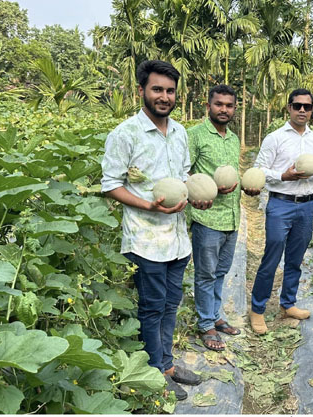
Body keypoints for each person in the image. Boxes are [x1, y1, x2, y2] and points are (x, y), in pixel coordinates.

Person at [101, 60, 205, 401]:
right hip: (145, 238)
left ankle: (167, 364)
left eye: (170, 91)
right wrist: (148, 205)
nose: (164, 96)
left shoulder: (179, 133)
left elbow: (184, 178)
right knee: (151, 307)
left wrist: (198, 195)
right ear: (142, 91)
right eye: (157, 89)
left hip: (177, 239)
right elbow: (110, 185)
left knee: (171, 304)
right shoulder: (125, 133)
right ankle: (155, 374)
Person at [187, 84, 260, 351]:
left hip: (232, 217)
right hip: (207, 217)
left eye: (229, 105)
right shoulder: (194, 135)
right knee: (205, 273)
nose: (224, 109)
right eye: (219, 104)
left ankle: (215, 316)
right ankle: (206, 324)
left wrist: (247, 186)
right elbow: (184, 173)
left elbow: (231, 178)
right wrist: (207, 188)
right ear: (208, 106)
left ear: (234, 109)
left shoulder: (231, 138)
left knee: (221, 272)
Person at [249, 88, 313, 334]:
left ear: (312, 110)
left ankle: (288, 304)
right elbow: (258, 170)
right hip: (280, 203)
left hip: (307, 204)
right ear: (289, 108)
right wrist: (284, 175)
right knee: (271, 259)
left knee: (295, 259)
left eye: (307, 106)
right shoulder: (275, 138)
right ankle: (257, 310)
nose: (302, 110)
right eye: (297, 106)